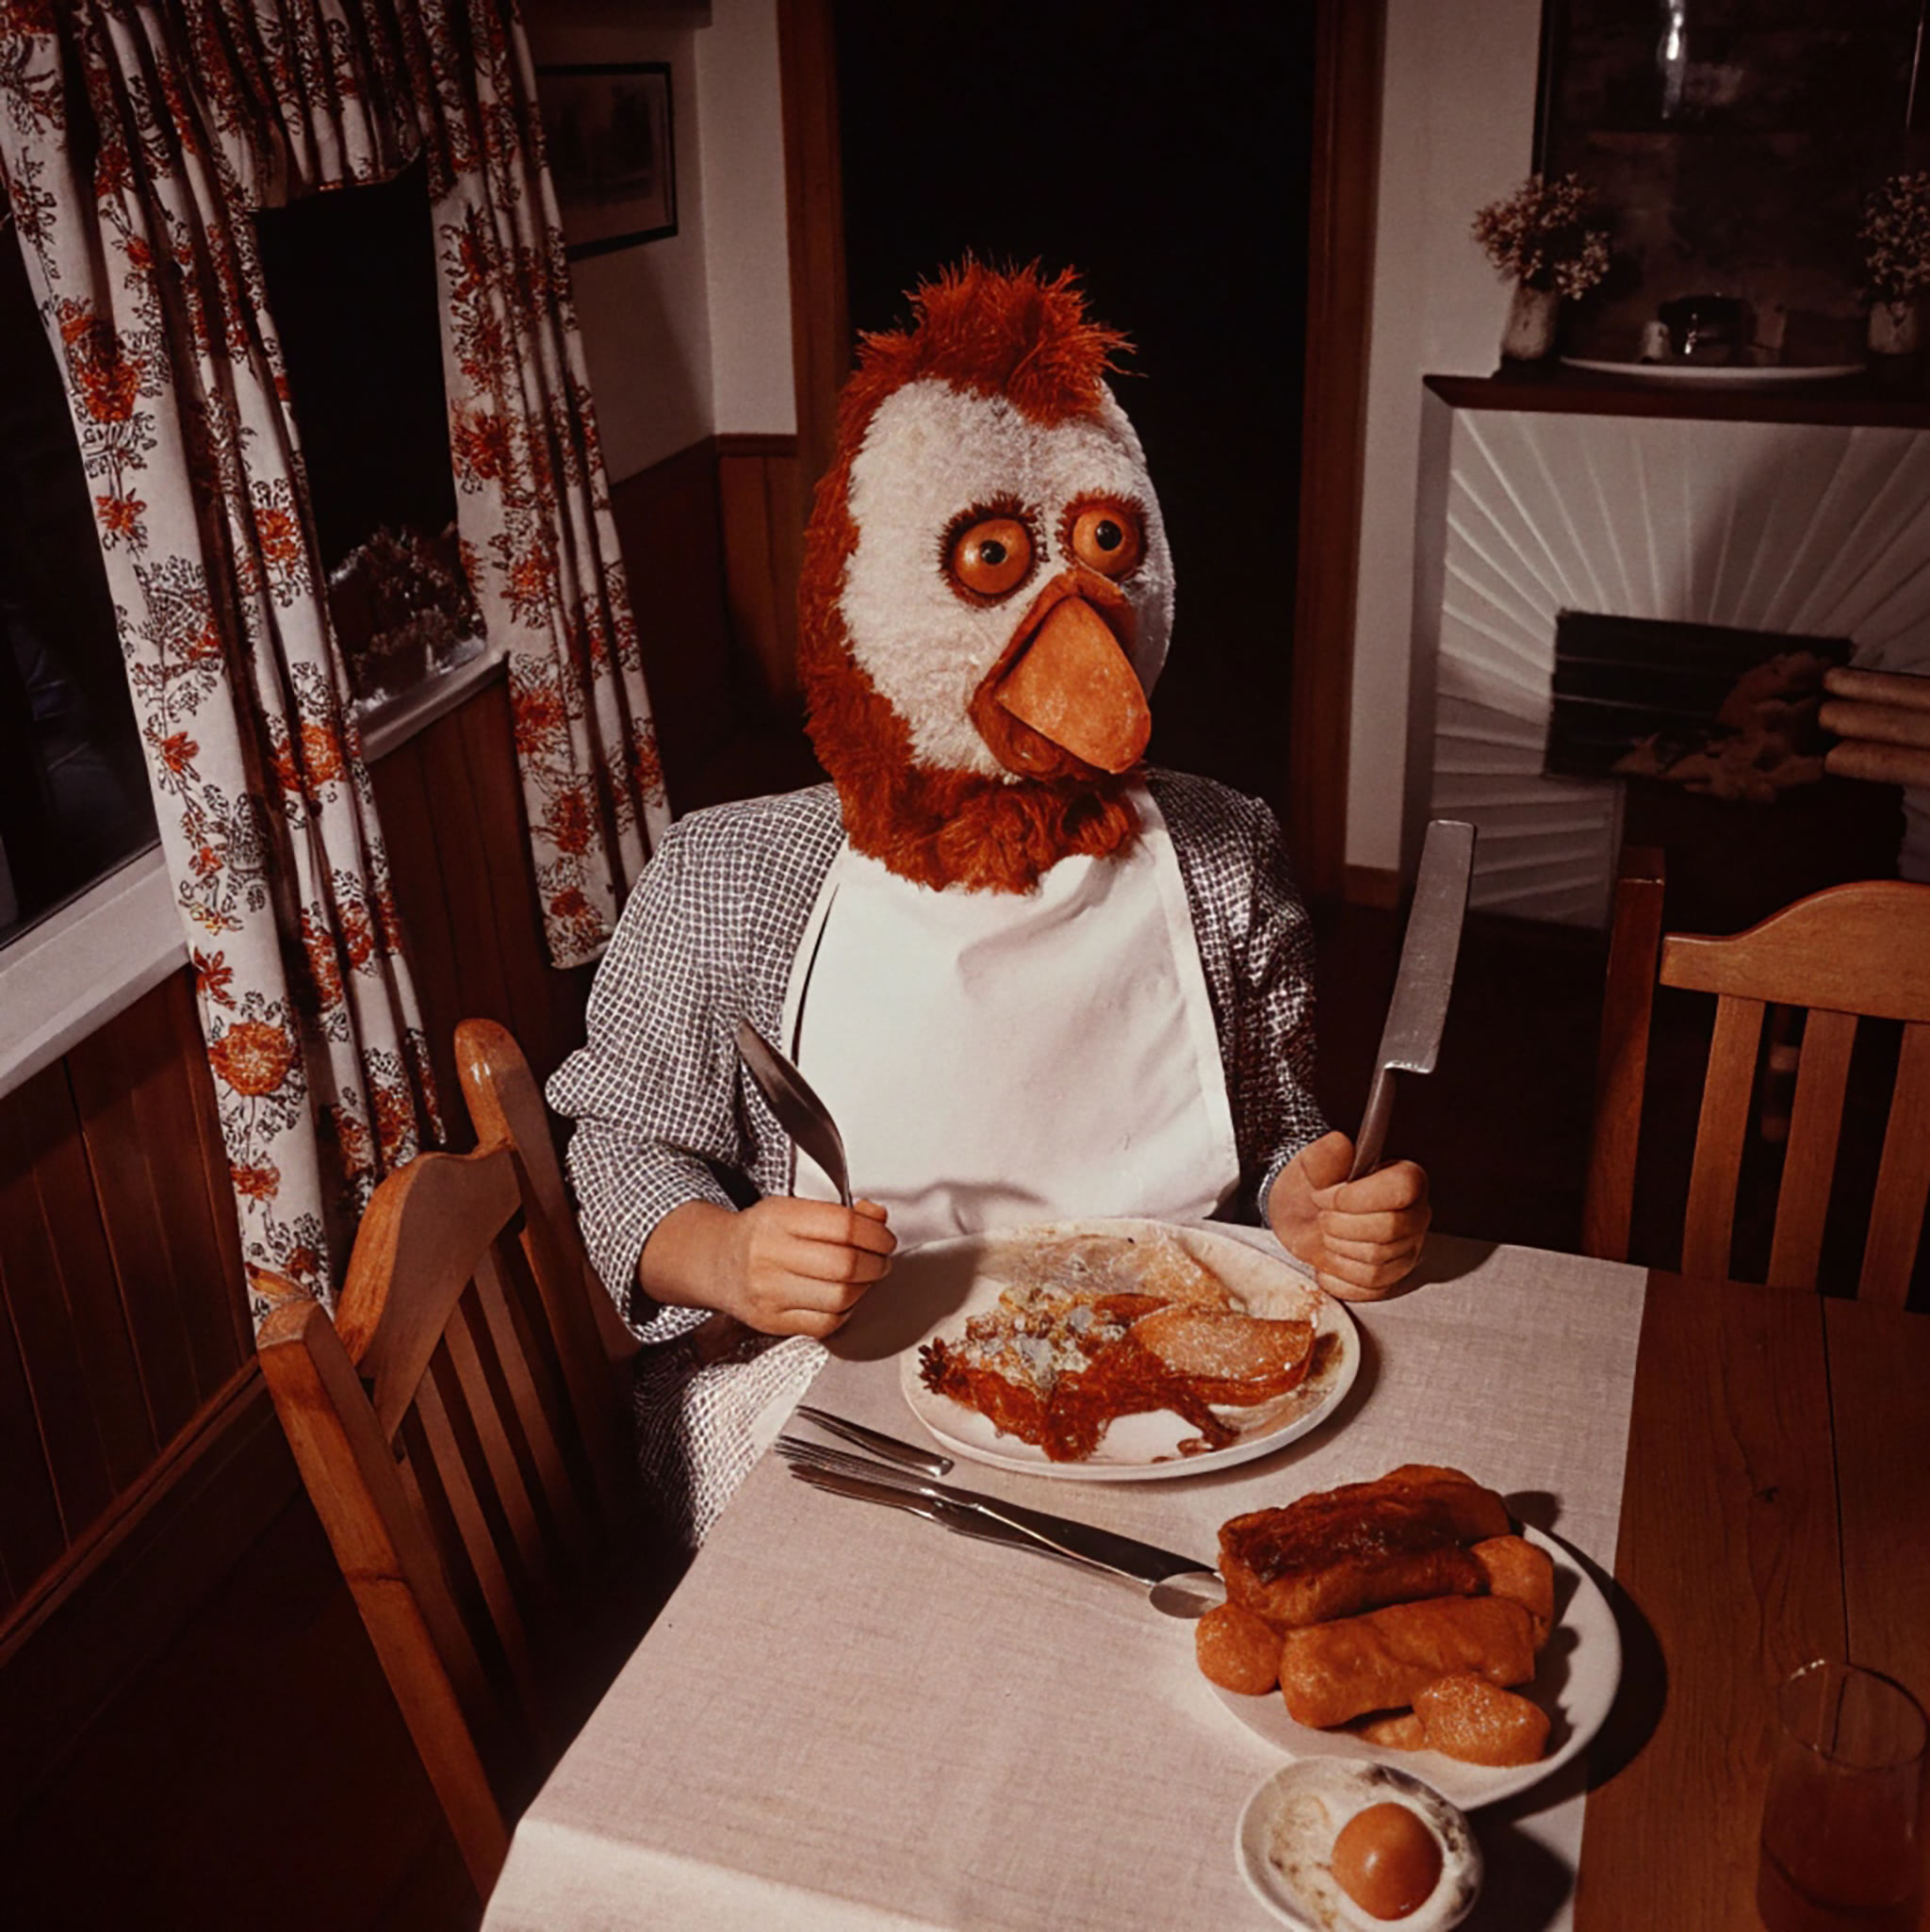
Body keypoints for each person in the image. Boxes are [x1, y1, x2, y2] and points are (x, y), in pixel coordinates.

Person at [548, 263, 1429, 1545]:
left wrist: (1317, 1200)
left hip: (1168, 1357)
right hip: (845, 1385)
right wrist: (728, 1257)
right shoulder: (724, 875)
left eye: (1106, 545)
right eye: (993, 557)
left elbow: (1279, 1121)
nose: (1081, 615)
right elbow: (622, 1148)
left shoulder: (1226, 850)